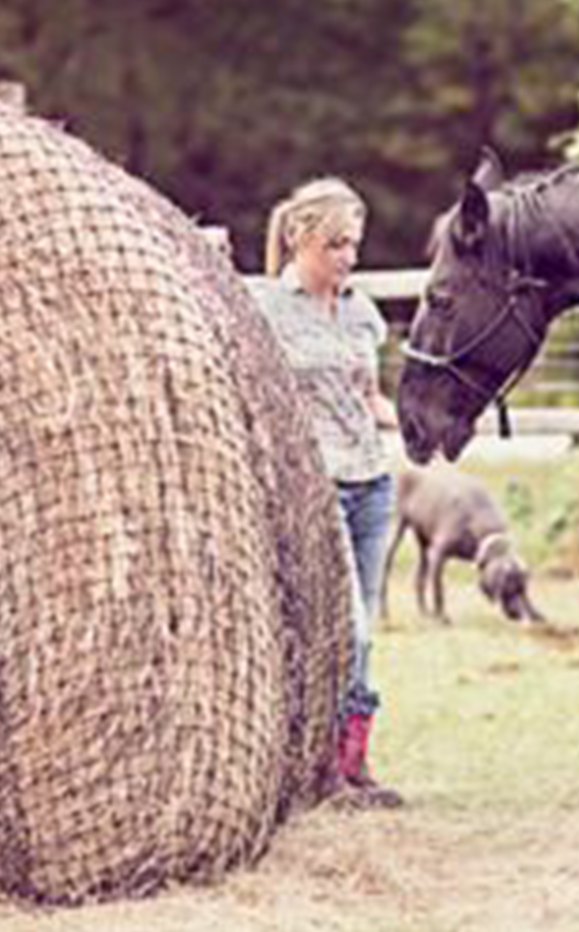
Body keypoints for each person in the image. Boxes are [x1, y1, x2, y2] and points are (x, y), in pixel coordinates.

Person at [253, 176, 403, 808]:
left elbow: (367, 399)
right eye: (336, 244)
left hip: (373, 483)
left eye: (354, 246)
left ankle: (353, 763)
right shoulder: (262, 306)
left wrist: (416, 424)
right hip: (317, 487)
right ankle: (322, 766)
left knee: (369, 624)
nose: (347, 257)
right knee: (353, 629)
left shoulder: (363, 312)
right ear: (299, 239)